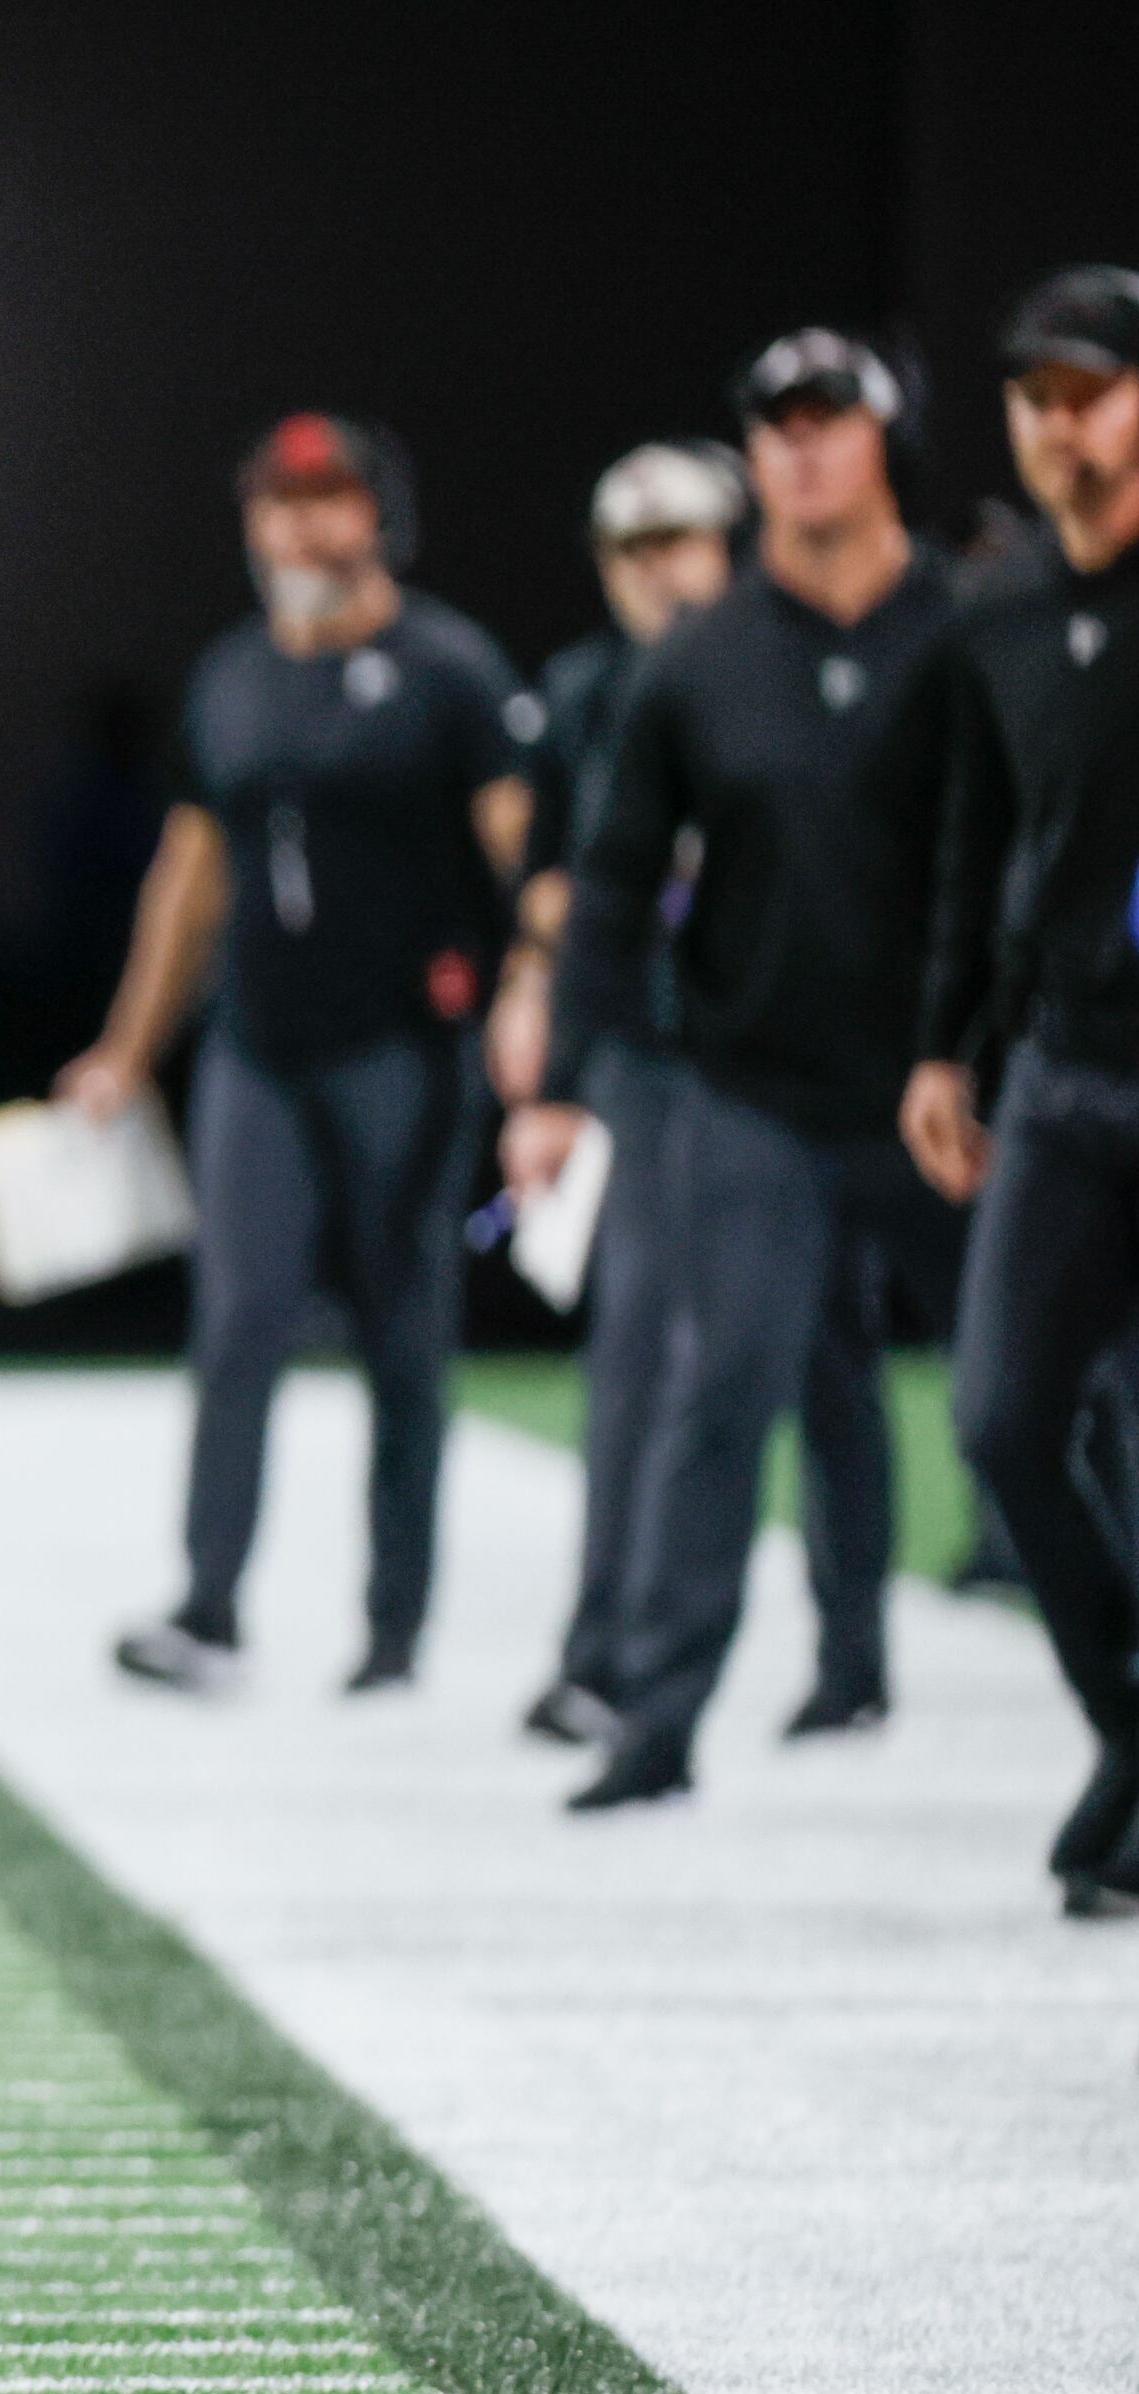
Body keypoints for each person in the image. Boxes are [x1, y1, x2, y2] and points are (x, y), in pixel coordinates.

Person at [512, 329, 963, 1813]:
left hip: (945, 1087)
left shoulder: (973, 628)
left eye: (830, 422)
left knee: (1055, 1398)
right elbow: (616, 885)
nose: (802, 448)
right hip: (752, 1090)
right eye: (777, 426)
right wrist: (562, 1084)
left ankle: (939, 1670)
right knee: (723, 1397)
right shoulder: (695, 665)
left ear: (882, 439)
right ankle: (658, 1717)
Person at [60, 415, 532, 1695]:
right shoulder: (231, 676)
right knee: (241, 1322)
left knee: (403, 1336)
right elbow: (190, 874)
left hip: (403, 1049)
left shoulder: (448, 668)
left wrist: (537, 992)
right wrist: (125, 1046)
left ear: (378, 515)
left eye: (328, 501)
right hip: (257, 1049)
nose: (303, 528)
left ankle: (395, 1628)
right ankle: (209, 1609)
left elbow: (520, 853)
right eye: (280, 504)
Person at [905, 266, 1139, 1905]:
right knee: (1000, 1421)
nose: (1062, 424)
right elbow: (973, 848)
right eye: (1036, 397)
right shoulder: (993, 612)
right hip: (1063, 1075)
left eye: (1092, 390)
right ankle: (1129, 1729)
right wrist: (943, 1046)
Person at [485, 443, 748, 1743]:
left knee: (843, 1366)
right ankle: (613, 1657)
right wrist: (545, 1013)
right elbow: (550, 883)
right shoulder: (591, 690)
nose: (660, 568)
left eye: (683, 539)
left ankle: (856, 1660)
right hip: (654, 1051)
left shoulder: (780, 666)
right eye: (635, 548)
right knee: (644, 1357)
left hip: (800, 1063)